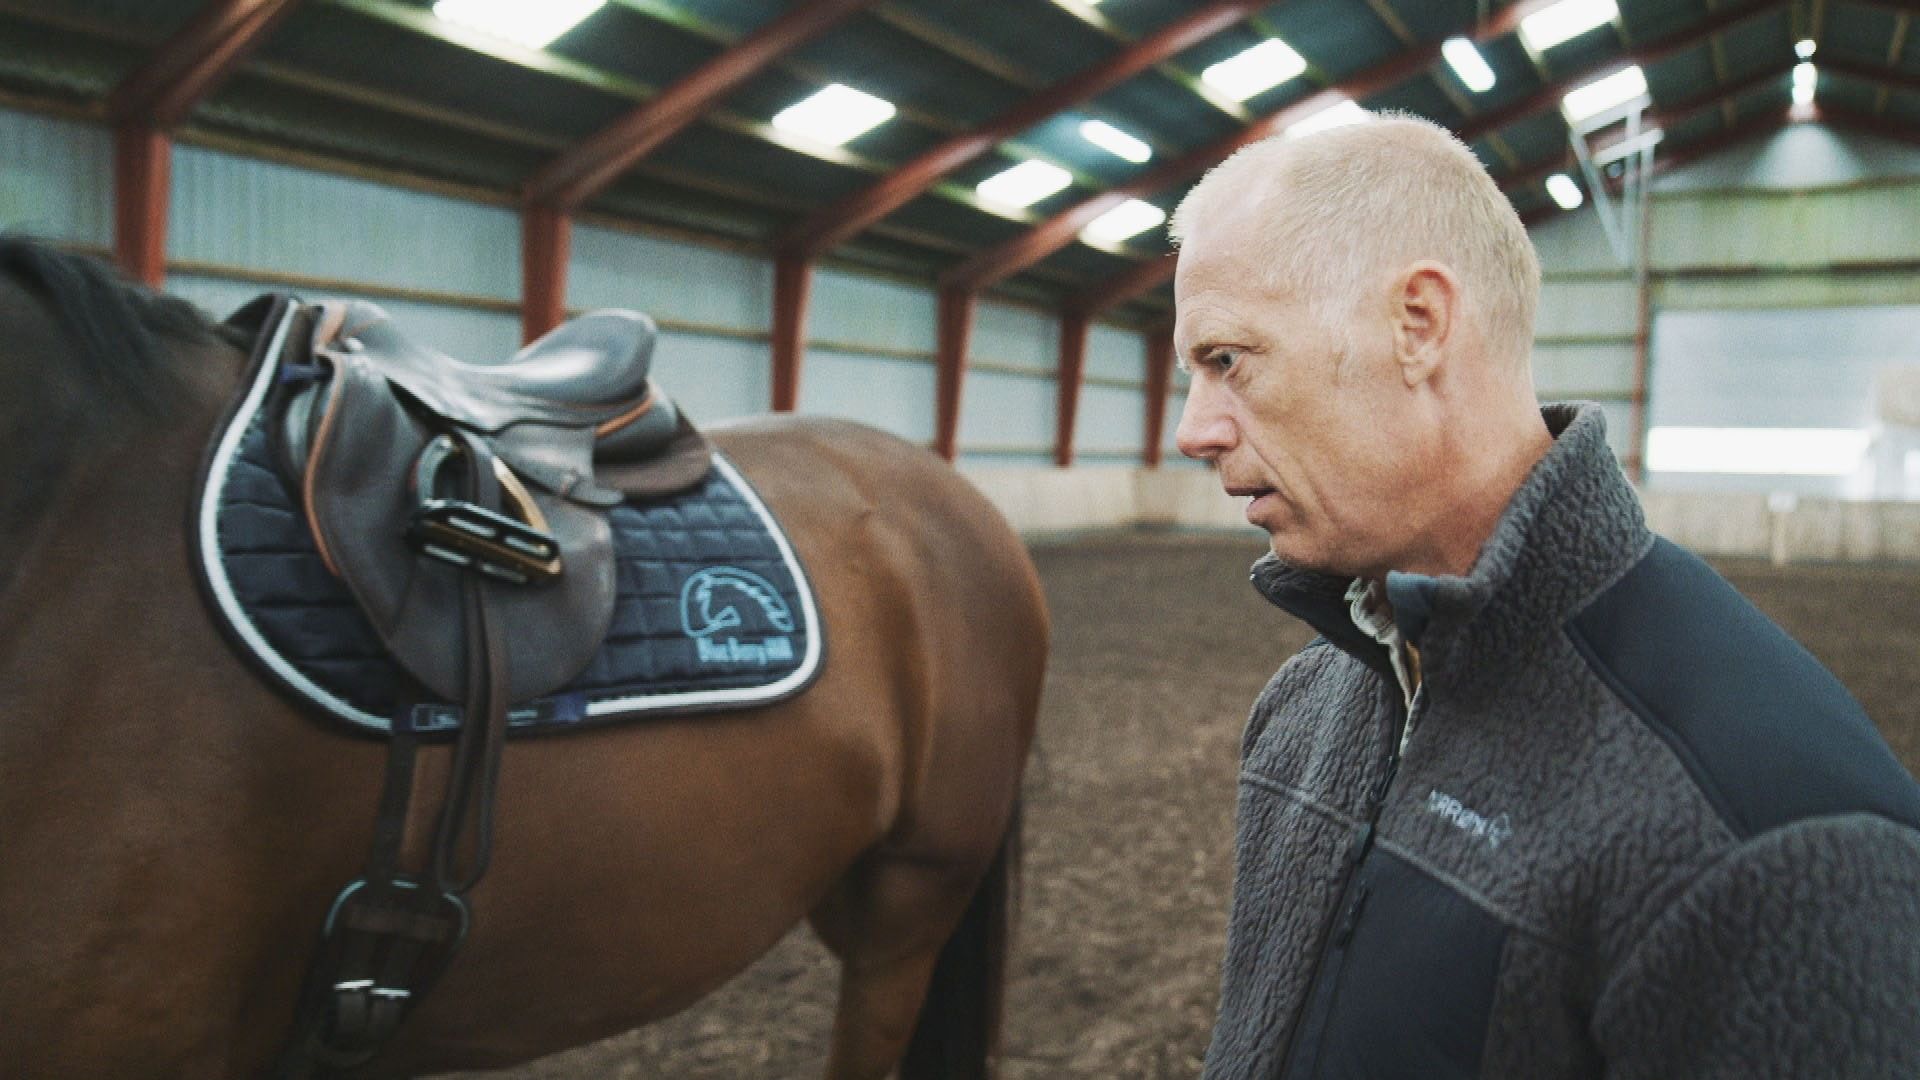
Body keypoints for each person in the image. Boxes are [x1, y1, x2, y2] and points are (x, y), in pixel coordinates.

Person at [1169, 112, 1920, 1079]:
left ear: (1418, 326)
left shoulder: (1773, 838)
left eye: (1227, 359)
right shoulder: (1304, 713)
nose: (1195, 429)